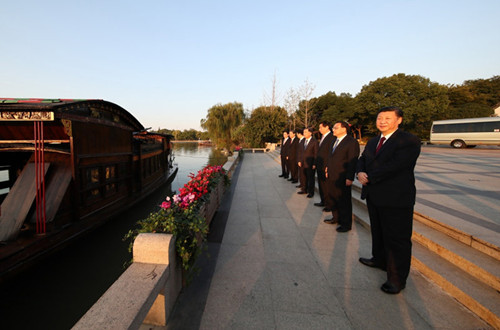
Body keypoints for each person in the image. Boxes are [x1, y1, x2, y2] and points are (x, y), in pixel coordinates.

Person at [356, 106, 421, 294]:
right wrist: (360, 171)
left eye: (387, 118)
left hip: (396, 198)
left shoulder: (408, 140)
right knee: (378, 232)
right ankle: (379, 259)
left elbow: (397, 166)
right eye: (379, 118)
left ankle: (397, 279)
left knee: (397, 239)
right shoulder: (373, 141)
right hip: (374, 195)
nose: (382, 121)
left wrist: (369, 176)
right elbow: (362, 159)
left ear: (398, 120)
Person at [324, 121, 360, 232]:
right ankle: (336, 217)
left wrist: (350, 177)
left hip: (342, 176)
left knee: (344, 200)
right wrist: (327, 168)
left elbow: (352, 161)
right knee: (333, 197)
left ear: (344, 129)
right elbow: (330, 157)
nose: (333, 129)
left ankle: (345, 223)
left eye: (335, 127)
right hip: (331, 174)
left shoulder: (351, 142)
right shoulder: (334, 140)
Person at [315, 121, 334, 211]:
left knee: (326, 186)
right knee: (321, 185)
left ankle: (328, 204)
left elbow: (330, 153)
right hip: (320, 165)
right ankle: (323, 201)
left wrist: (328, 165)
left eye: (321, 127)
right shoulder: (323, 137)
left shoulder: (331, 137)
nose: (319, 129)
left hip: (325, 165)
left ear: (327, 127)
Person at [299, 127, 318, 198]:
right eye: (303, 132)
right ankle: (304, 189)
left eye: (306, 132)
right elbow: (299, 152)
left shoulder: (314, 141)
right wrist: (299, 160)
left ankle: (311, 192)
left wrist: (314, 163)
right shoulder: (302, 141)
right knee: (303, 177)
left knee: (310, 178)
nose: (304, 133)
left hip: (310, 163)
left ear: (310, 133)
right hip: (302, 162)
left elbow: (316, 153)